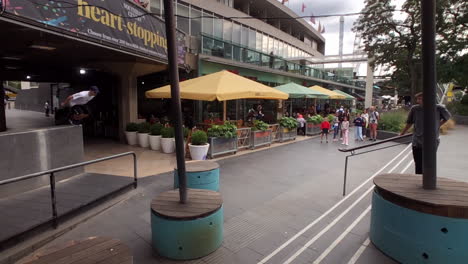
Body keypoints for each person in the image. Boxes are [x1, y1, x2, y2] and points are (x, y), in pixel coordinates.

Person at [400, 92, 451, 174]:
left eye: (420, 99)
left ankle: (428, 181)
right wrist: (402, 133)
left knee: (428, 164)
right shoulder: (415, 109)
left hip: (432, 142)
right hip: (417, 141)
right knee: (418, 164)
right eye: (418, 99)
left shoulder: (438, 108)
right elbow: (409, 123)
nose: (418, 101)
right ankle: (419, 180)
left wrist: (437, 125)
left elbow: (447, 117)